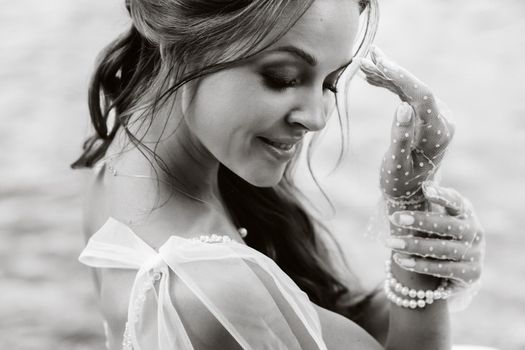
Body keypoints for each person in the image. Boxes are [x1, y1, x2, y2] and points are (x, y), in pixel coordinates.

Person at [72, 0, 485, 349]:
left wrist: (425, 263)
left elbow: (316, 318)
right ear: (183, 34)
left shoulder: (113, 172)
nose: (318, 117)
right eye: (283, 77)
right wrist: (417, 262)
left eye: (331, 82)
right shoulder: (220, 288)